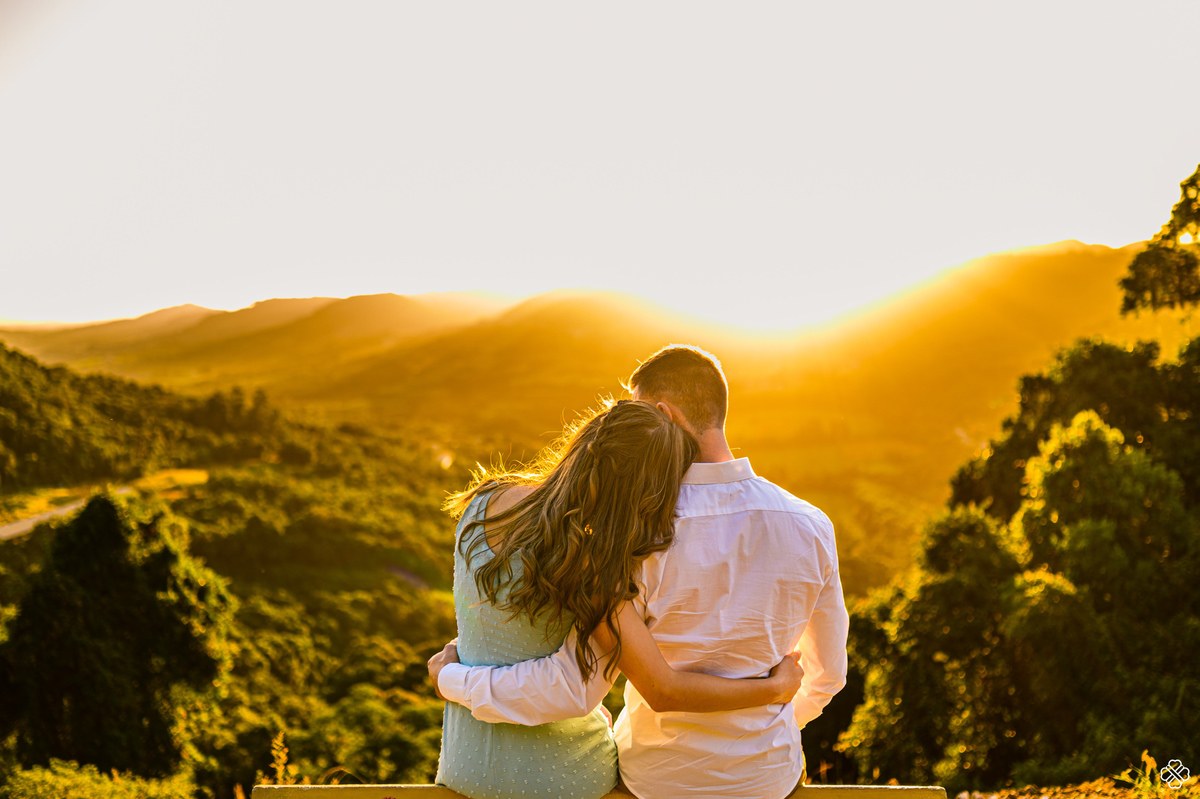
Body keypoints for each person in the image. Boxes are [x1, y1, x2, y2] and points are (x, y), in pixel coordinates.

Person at [430, 345, 849, 799]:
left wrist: (451, 673)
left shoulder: (631, 536)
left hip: (655, 782)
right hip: (768, 777)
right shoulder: (811, 524)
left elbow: (597, 686)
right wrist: (767, 716)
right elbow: (828, 675)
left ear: (661, 414)